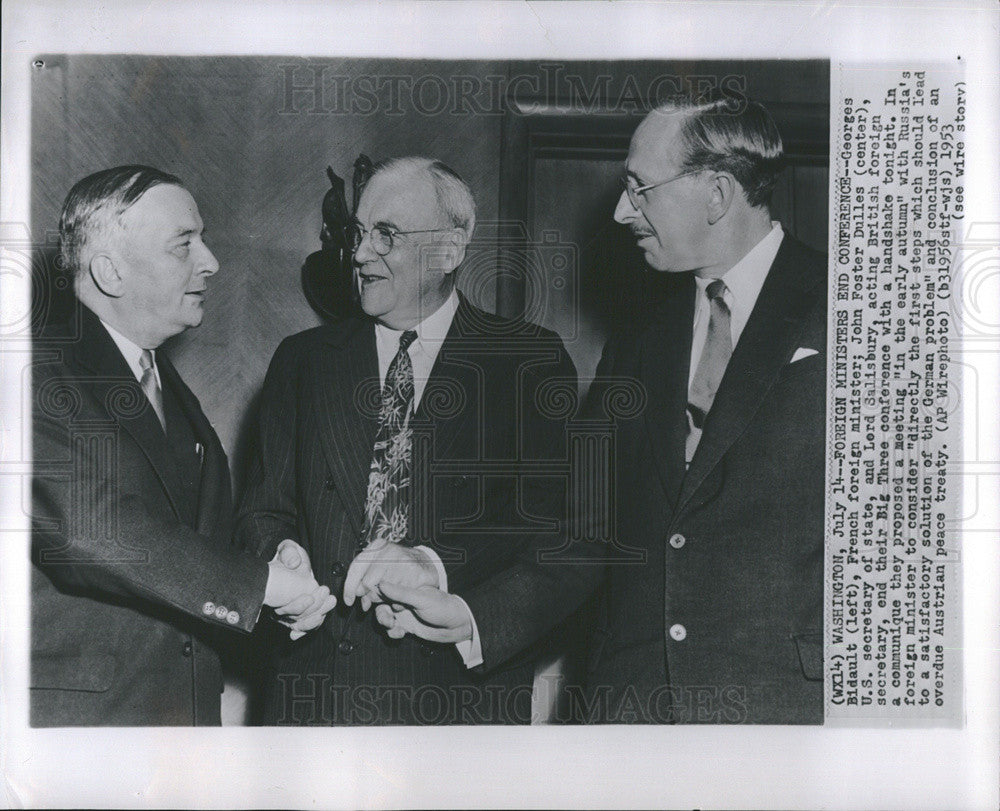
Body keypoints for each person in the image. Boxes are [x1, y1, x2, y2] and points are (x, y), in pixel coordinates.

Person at [373, 95, 828, 724]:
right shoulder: (641, 341)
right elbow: (583, 530)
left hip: (787, 722)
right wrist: (474, 614)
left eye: (640, 189)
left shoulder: (861, 310)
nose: (621, 211)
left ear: (717, 194)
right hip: (629, 716)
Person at [236, 156, 575, 725]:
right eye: (358, 234)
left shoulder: (529, 363)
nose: (361, 254)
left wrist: (435, 563)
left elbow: (553, 530)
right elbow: (261, 509)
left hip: (456, 705)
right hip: (315, 699)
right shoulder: (302, 362)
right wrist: (277, 552)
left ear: (449, 249)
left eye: (385, 235)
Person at [31, 165, 336, 726]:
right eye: (183, 245)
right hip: (82, 728)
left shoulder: (168, 386)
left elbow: (187, 548)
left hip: (179, 723)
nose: (211, 262)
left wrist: (266, 568)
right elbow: (94, 530)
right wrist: (260, 585)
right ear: (109, 271)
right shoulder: (34, 372)